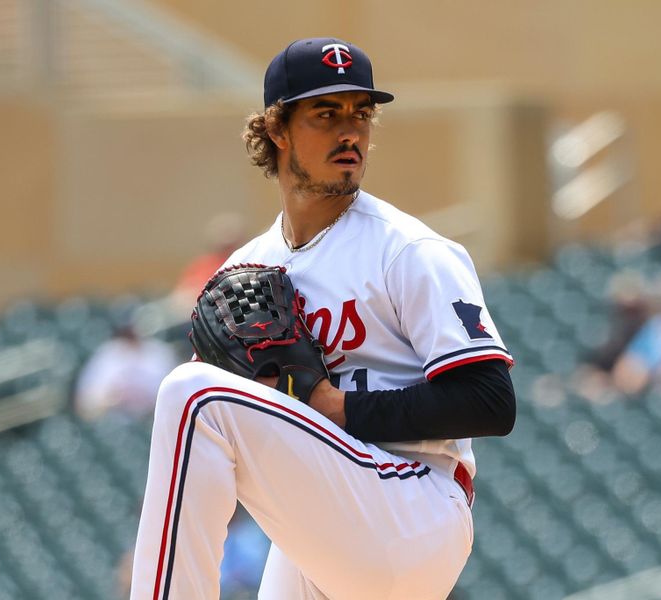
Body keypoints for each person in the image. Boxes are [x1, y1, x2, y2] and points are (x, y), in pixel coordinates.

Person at [131, 37, 515, 599]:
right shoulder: (245, 271)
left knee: (192, 395)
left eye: (362, 114)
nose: (350, 132)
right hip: (328, 521)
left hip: (414, 507)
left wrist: (340, 407)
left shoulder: (406, 249)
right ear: (277, 129)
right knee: (202, 399)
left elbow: (490, 402)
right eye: (326, 113)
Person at [74, 323, 178, 421]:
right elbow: (84, 403)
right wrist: (111, 399)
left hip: (152, 420)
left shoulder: (160, 352)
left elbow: (176, 398)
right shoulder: (107, 354)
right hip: (112, 422)